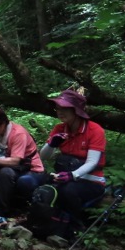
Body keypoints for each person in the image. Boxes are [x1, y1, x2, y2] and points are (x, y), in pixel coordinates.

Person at [40, 89, 107, 224]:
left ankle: (74, 226)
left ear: (76, 110)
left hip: (91, 181)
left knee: (67, 191)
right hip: (65, 177)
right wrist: (52, 144)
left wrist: (73, 175)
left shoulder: (95, 130)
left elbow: (92, 162)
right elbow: (44, 156)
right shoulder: (59, 129)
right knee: (40, 184)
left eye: (64, 108)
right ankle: (47, 222)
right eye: (57, 108)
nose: (59, 111)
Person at [0, 106, 46, 217]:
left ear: (1, 124)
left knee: (5, 173)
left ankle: (1, 210)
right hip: (12, 165)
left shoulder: (18, 134)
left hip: (30, 168)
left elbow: (15, 161)